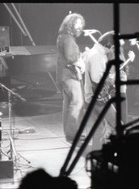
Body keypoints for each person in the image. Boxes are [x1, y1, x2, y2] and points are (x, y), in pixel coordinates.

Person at [84, 31, 119, 151]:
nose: (113, 49)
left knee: (99, 129)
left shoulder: (97, 53)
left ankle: (98, 156)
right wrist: (111, 77)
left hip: (92, 98)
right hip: (99, 100)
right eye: (114, 47)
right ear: (109, 44)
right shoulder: (97, 56)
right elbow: (96, 78)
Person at [56, 12, 86, 142]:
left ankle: (69, 133)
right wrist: (80, 62)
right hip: (70, 76)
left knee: (68, 104)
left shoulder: (62, 37)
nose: (80, 27)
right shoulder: (68, 38)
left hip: (64, 75)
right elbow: (70, 57)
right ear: (71, 24)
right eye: (78, 24)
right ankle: (73, 134)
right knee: (77, 103)